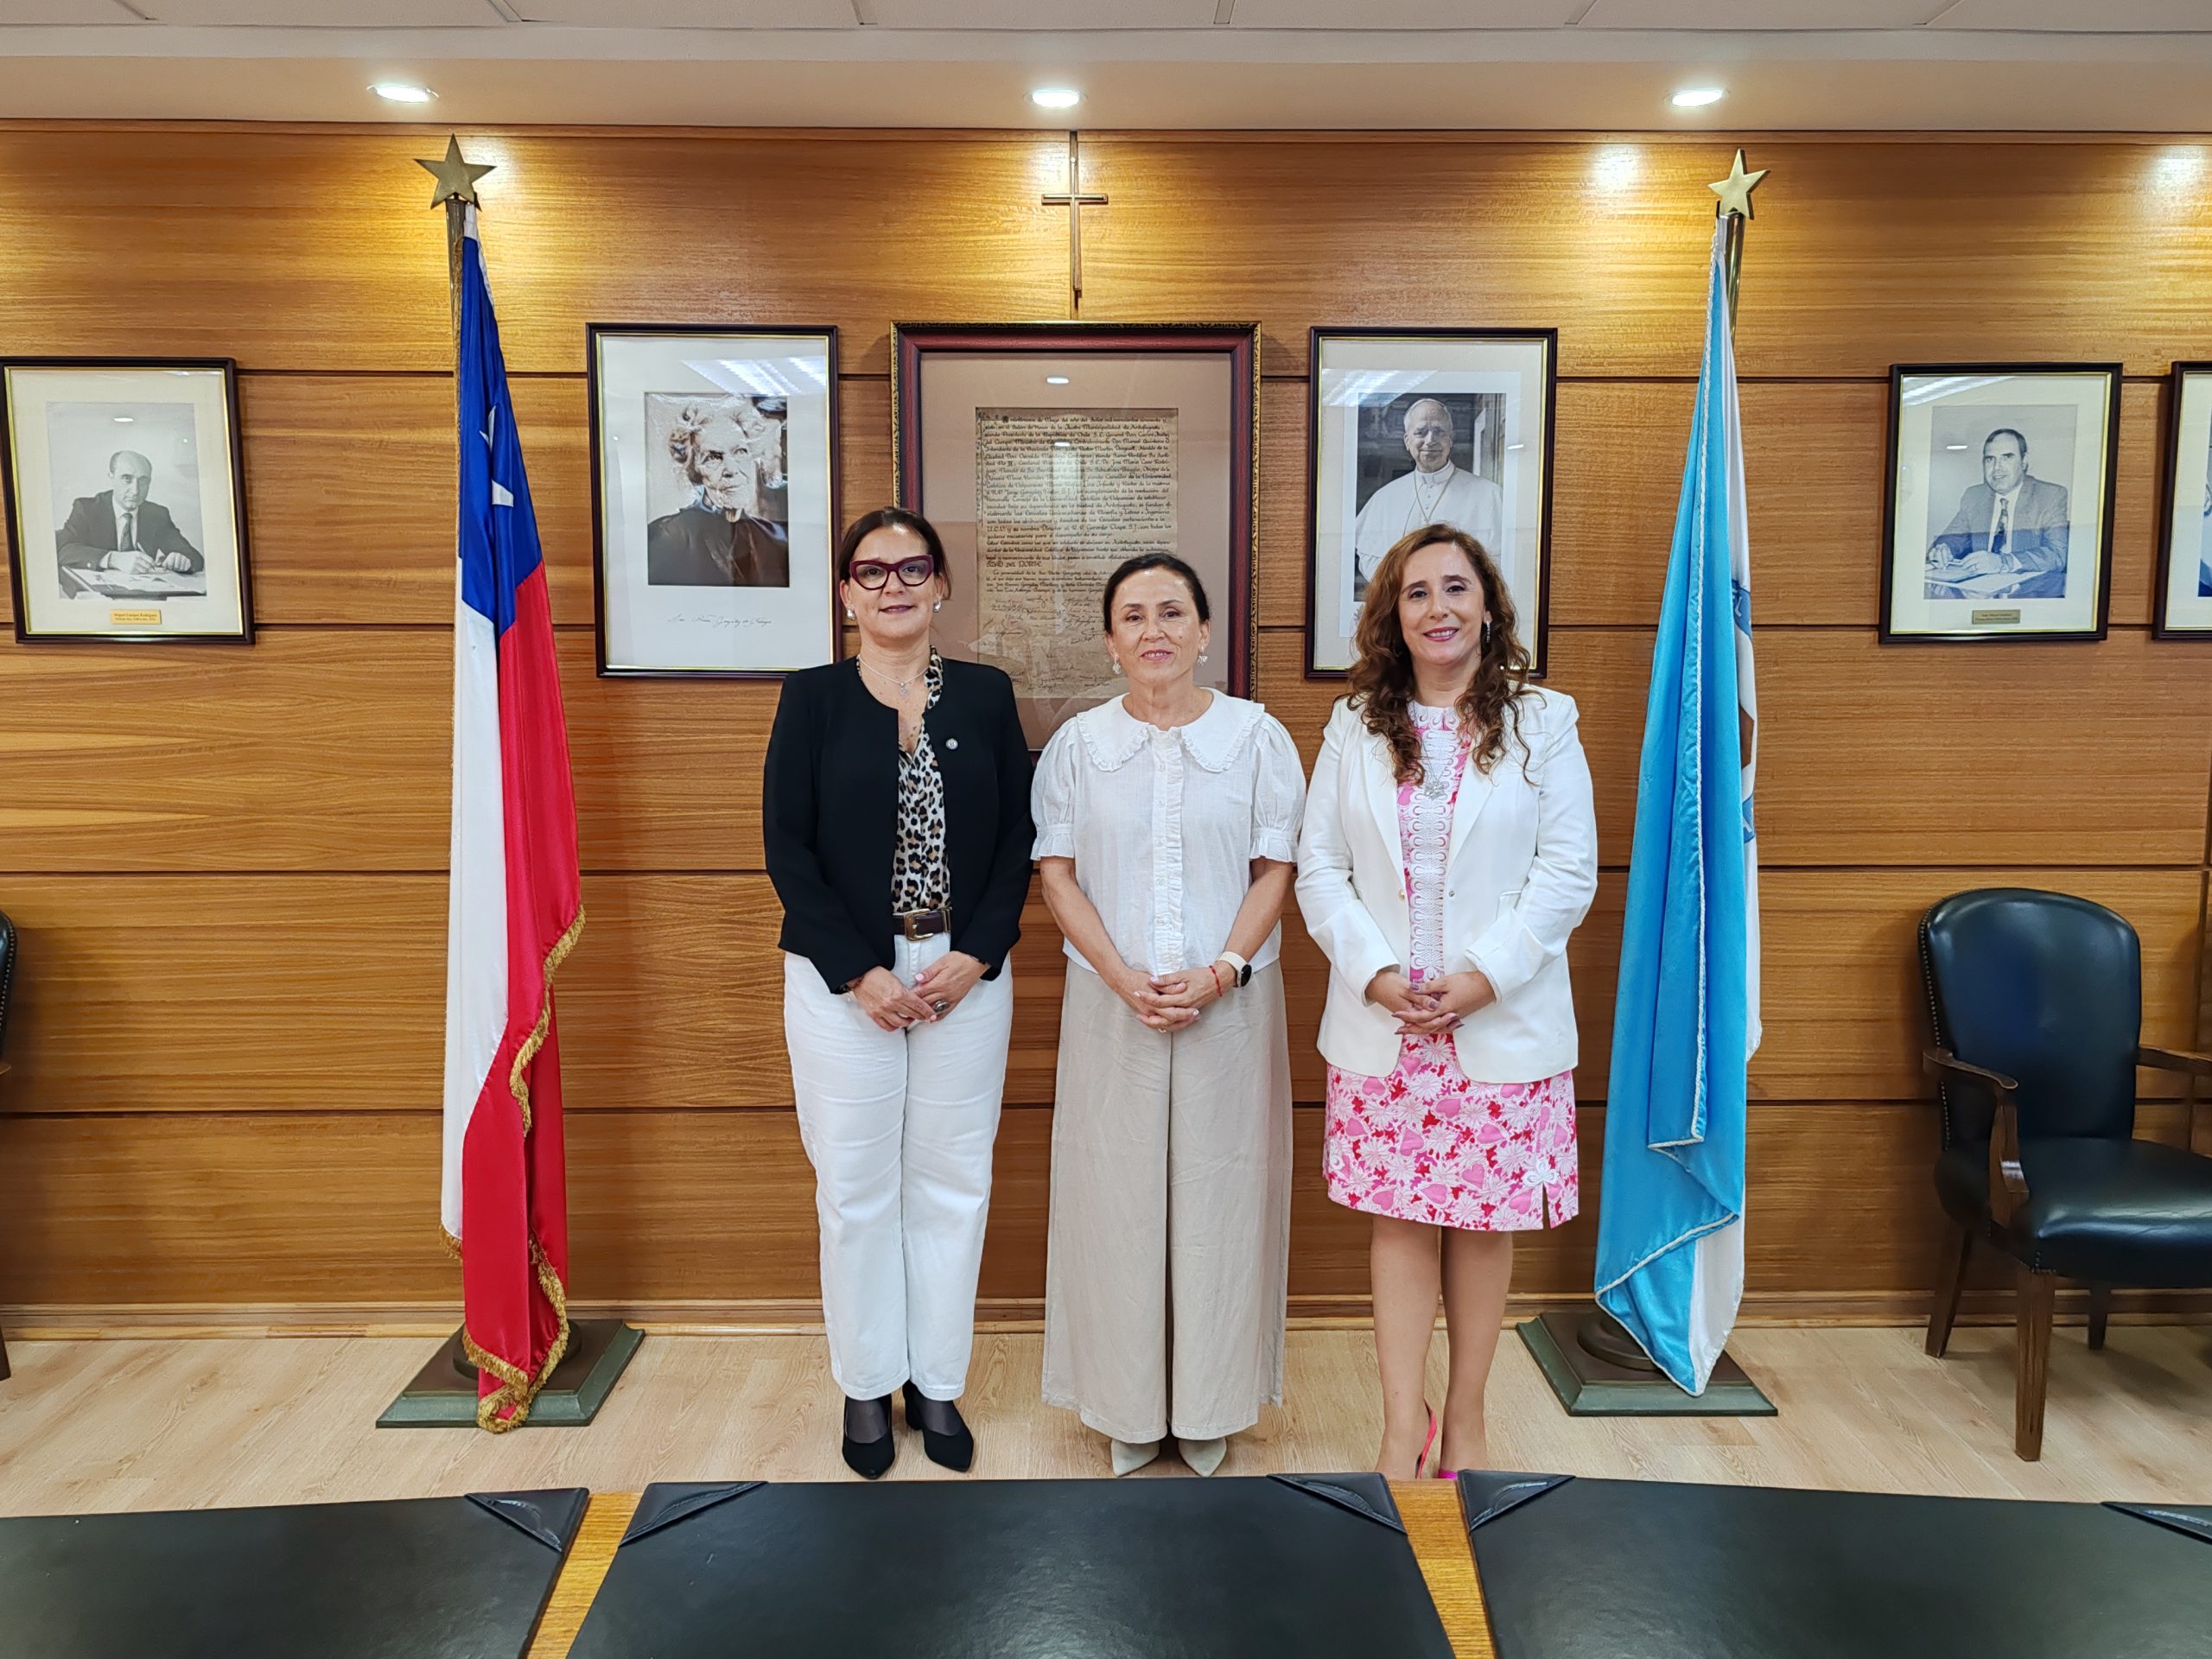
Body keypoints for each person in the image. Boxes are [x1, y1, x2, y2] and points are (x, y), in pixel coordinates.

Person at [1297, 523, 1597, 1481]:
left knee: (1480, 1225)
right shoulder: (1353, 725)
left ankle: (1465, 1420)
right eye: (1417, 592)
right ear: (1393, 615)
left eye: (1456, 588)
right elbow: (1319, 869)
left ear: (1488, 606)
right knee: (1398, 1223)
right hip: (1385, 1023)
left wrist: (1481, 980)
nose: (1438, 608)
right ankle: (1401, 1425)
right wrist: (1376, 975)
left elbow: (1567, 872)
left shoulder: (1544, 722)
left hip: (1497, 1019)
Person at [763, 505, 1033, 1479]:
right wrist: (858, 970)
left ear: (941, 585)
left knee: (953, 1184)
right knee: (856, 1189)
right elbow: (786, 849)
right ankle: (868, 1382)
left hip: (964, 972)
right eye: (871, 571)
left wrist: (982, 951)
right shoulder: (812, 698)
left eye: (912, 568)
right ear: (846, 593)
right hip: (845, 981)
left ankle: (938, 1381)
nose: (893, 585)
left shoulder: (986, 696)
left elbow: (1019, 840)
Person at [1033, 553, 1304, 1479]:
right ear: (1111, 643)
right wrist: (1120, 976)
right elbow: (1057, 874)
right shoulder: (1080, 745)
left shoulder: (1256, 737)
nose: (1155, 631)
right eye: (1134, 616)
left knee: (1224, 1197)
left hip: (1231, 1004)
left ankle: (1209, 1403)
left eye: (1173, 612)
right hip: (1111, 1004)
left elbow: (1275, 868)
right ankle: (1126, 1405)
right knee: (1113, 1198)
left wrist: (1221, 969)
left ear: (1204, 631)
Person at [1353, 398, 1503, 594]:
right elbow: (1369, 558)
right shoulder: (1384, 497)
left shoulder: (1490, 495)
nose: (1430, 440)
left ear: (1450, 439)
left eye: (1439, 431)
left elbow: (1498, 562)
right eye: (1421, 432)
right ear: (1407, 441)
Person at [645, 398, 790, 587]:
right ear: (694, 470)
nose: (732, 469)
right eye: (713, 457)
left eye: (740, 452)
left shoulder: (775, 539)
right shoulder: (667, 537)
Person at [1925, 427, 2069, 601]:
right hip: (1979, 594)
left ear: (2024, 461)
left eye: (2007, 457)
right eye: (1990, 459)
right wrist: (1943, 548)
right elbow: (1954, 536)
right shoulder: (1974, 496)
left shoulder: (2050, 496)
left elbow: (2058, 555)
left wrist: (2003, 562)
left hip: (2033, 599)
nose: (1996, 468)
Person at [55, 450, 203, 575]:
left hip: (143, 594)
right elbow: (63, 551)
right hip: (95, 594)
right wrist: (113, 559)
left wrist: (182, 559)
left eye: (143, 481)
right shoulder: (87, 508)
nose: (136, 491)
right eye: (127, 479)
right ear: (111, 477)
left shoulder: (157, 515)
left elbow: (194, 557)